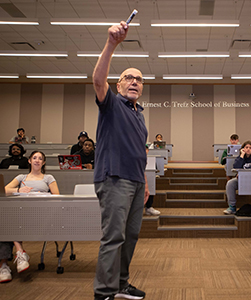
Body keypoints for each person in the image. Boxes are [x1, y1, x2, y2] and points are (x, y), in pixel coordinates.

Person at [92, 20, 149, 300]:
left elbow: (141, 151)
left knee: (130, 237)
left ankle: (121, 284)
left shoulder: (139, 114)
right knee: (113, 238)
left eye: (139, 79)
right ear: (119, 83)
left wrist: (146, 183)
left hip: (137, 182)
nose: (134, 82)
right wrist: (112, 44)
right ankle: (104, 293)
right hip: (115, 179)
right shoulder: (112, 104)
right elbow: (97, 80)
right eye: (129, 77)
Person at [0, 151, 59, 283]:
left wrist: (41, 195)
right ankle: (14, 257)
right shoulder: (21, 177)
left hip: (39, 213)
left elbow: (57, 197)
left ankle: (5, 264)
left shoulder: (48, 178)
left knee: (6, 222)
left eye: (40, 158)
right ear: (29, 161)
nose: (37, 160)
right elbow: (4, 190)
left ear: (43, 163)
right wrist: (18, 190)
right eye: (34, 158)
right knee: (5, 221)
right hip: (20, 212)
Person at [223, 140, 251, 215]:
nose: (248, 149)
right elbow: (236, 167)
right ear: (243, 149)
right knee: (230, 183)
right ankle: (232, 207)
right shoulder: (240, 157)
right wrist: (242, 155)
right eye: (246, 147)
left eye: (250, 147)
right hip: (241, 180)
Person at [144, 145, 160, 216]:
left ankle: (149, 207)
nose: (145, 151)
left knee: (151, 187)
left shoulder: (151, 160)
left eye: (146, 149)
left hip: (147, 179)